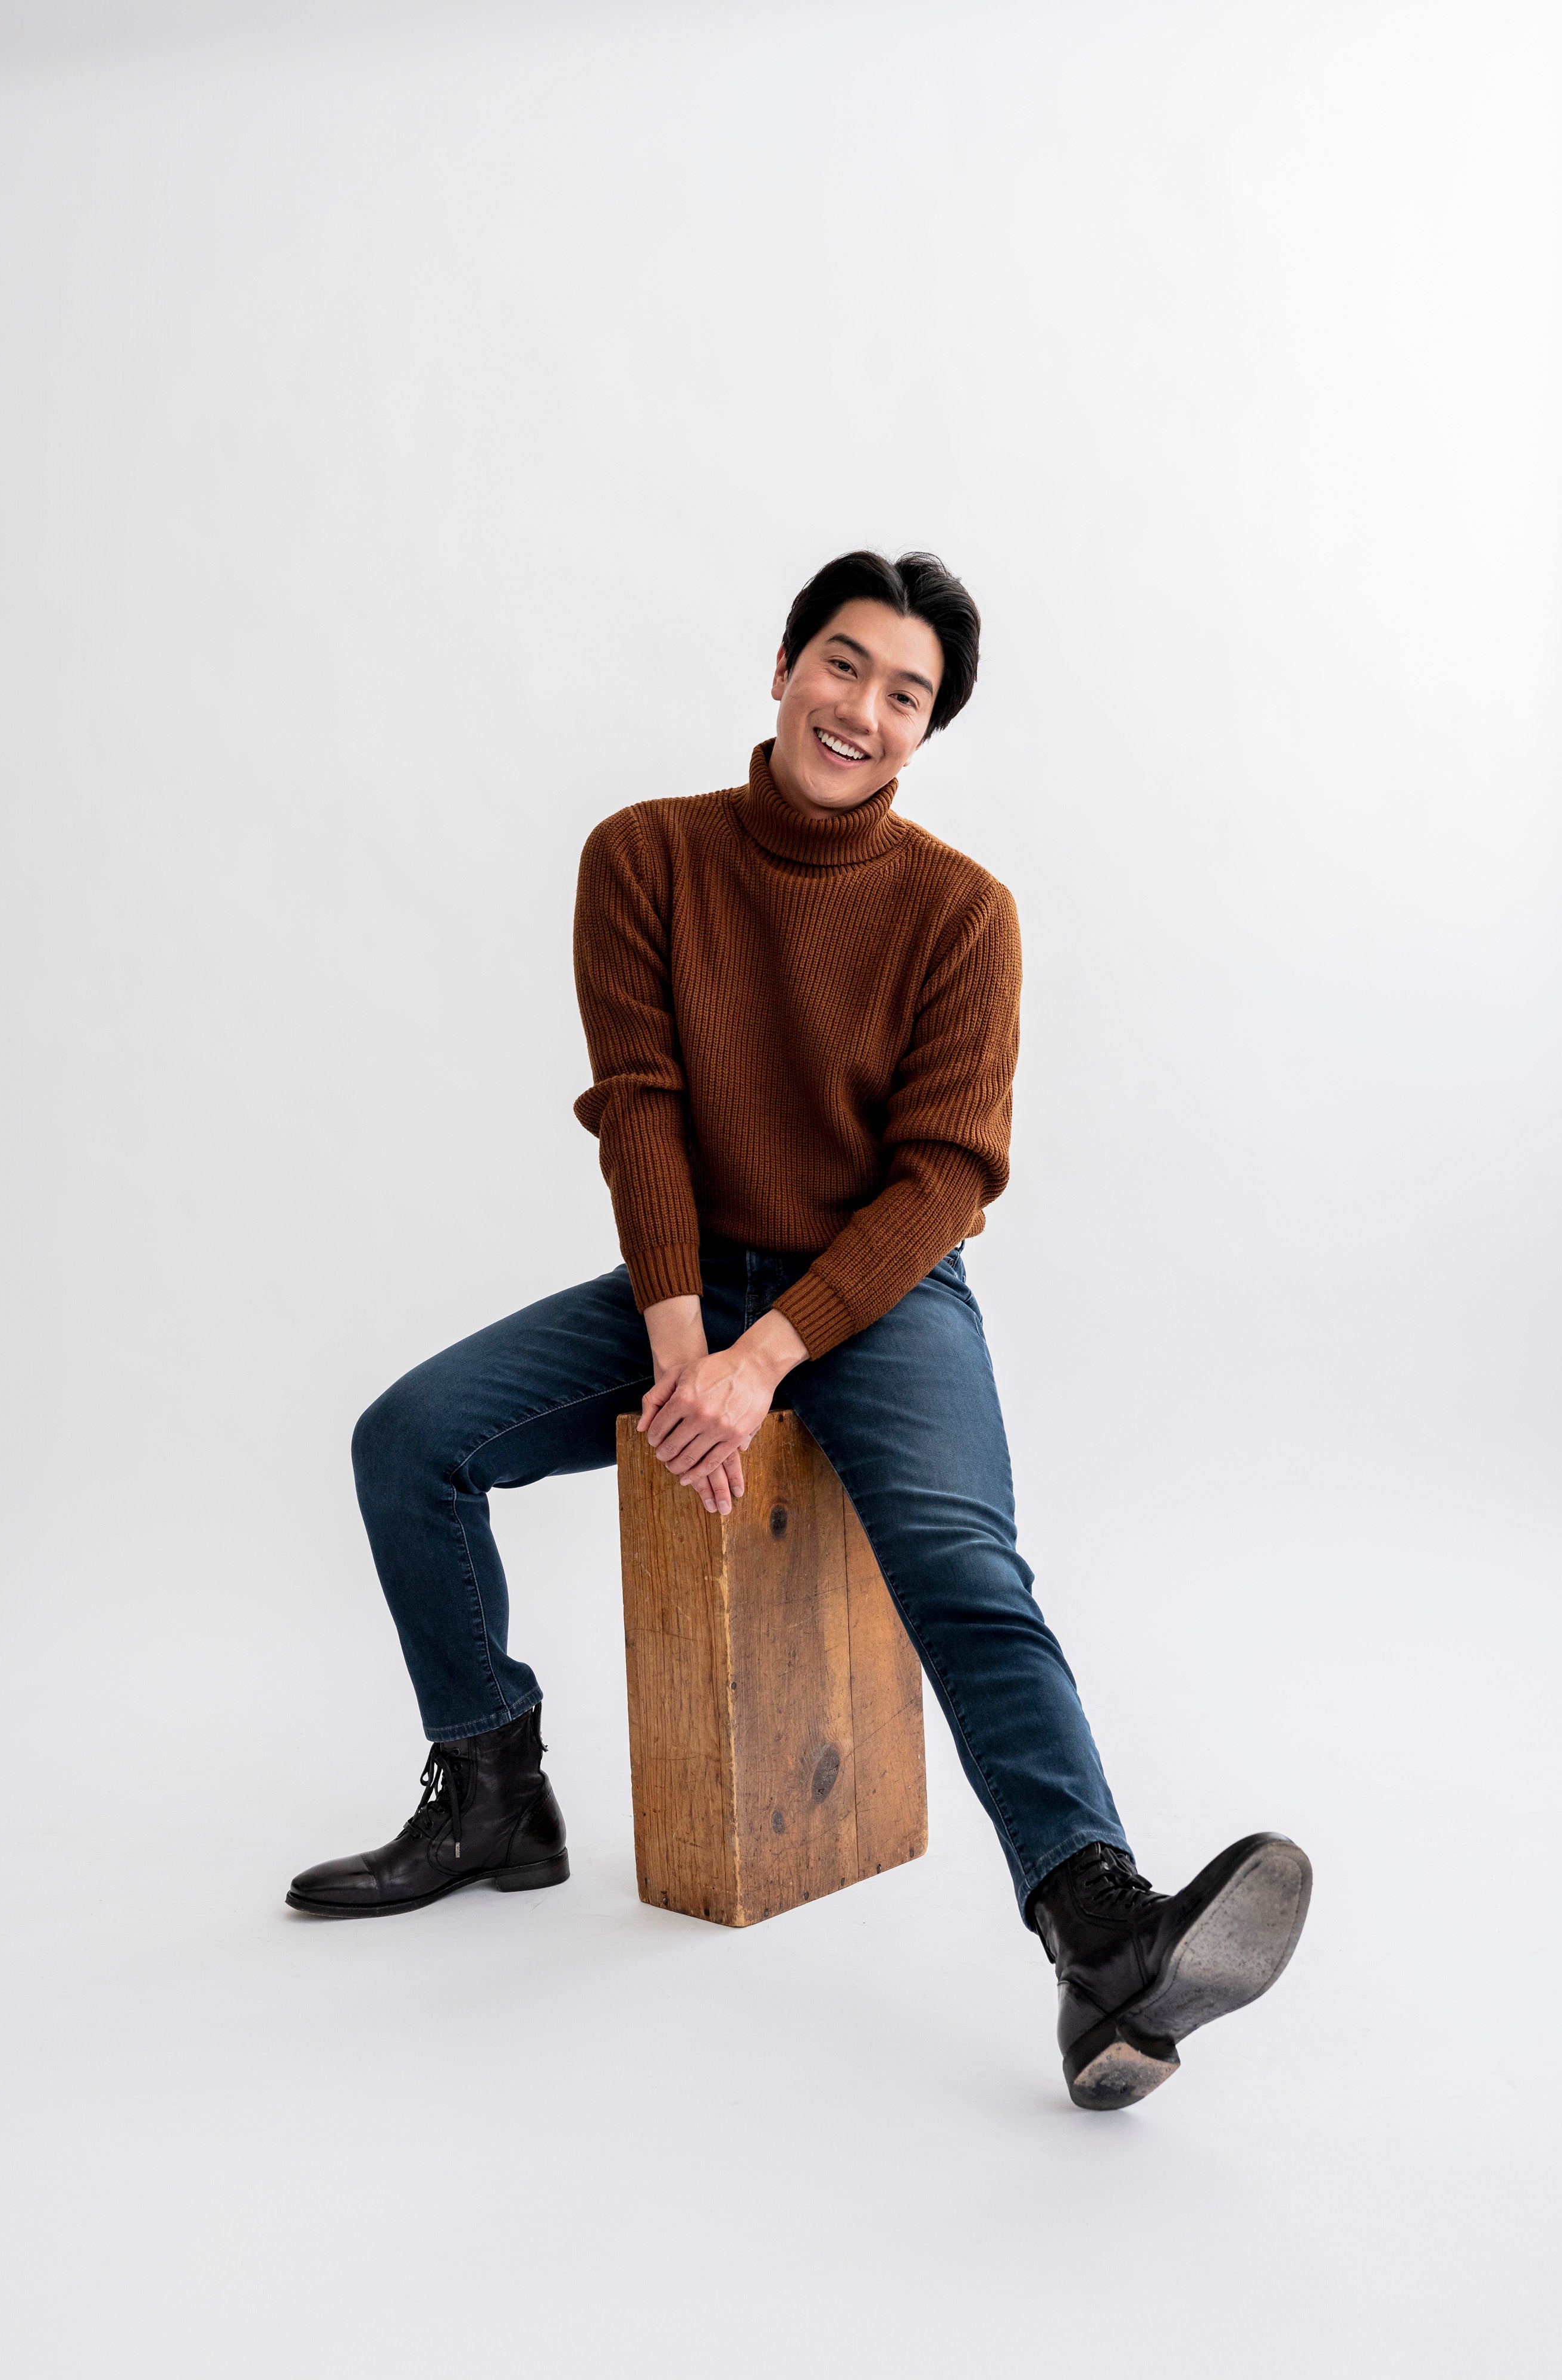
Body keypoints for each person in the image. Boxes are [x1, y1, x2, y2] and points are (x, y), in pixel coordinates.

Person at [287, 550, 1312, 2112]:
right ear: (781, 668)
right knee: (411, 1440)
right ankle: (493, 1785)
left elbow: (945, 1177)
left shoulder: (964, 914)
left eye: (907, 696)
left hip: (885, 1295)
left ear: (925, 734)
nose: (865, 710)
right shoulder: (644, 857)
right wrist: (691, 1342)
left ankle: (1102, 1937)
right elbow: (641, 1112)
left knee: (967, 1575)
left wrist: (766, 1363)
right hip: (698, 1274)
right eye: (846, 666)